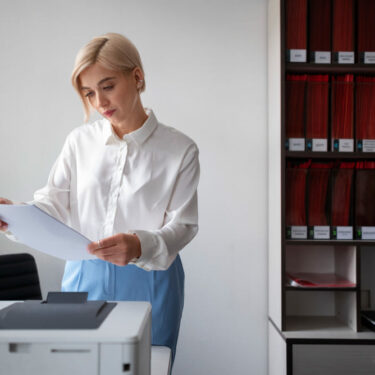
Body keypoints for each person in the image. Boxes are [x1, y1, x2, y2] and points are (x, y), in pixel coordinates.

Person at [0, 32, 199, 363]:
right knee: (78, 365)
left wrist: (140, 245)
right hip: (84, 274)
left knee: (146, 365)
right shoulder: (79, 141)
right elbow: (53, 203)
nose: (100, 102)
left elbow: (184, 224)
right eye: (89, 93)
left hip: (150, 278)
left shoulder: (180, 149)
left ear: (137, 77)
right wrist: (17, 214)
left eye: (108, 86)